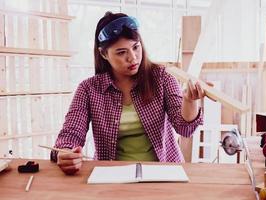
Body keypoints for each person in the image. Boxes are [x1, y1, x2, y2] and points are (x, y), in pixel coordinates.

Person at [51, 12, 206, 175]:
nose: (132, 58)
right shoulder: (89, 89)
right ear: (104, 54)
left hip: (163, 171)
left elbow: (185, 129)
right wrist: (65, 152)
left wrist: (189, 101)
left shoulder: (162, 78)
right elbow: (71, 132)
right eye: (121, 52)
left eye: (136, 47)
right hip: (112, 175)